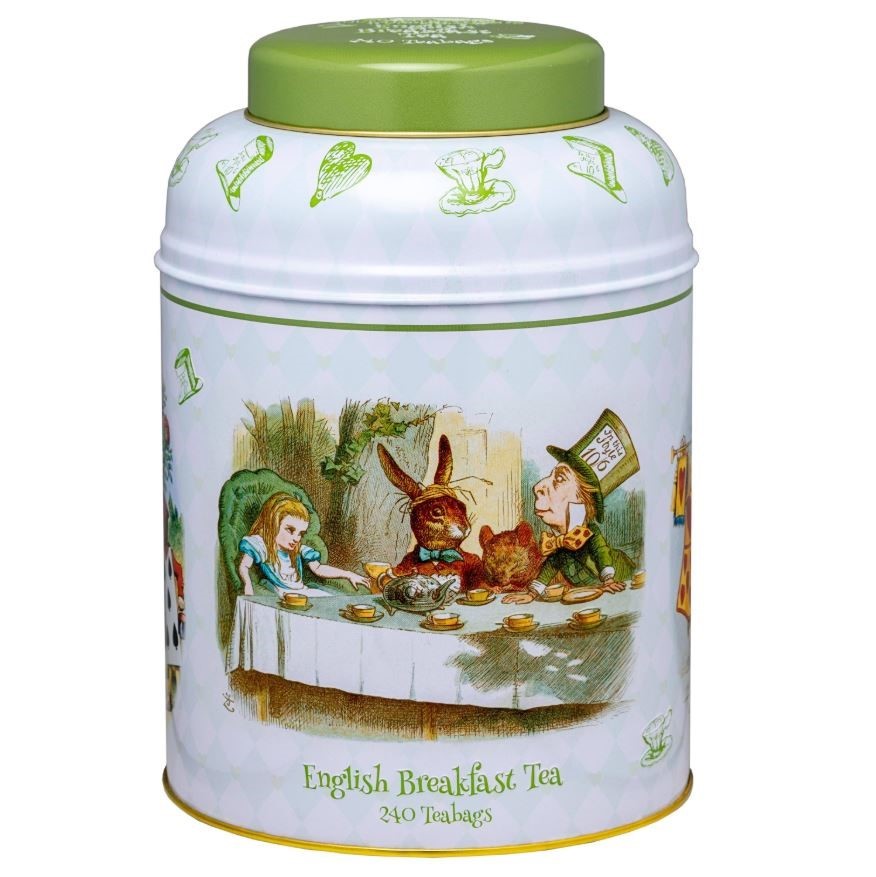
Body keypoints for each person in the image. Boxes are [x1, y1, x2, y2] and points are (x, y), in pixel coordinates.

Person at [503, 461, 625, 604]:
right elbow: (551, 566)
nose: (537, 488)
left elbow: (601, 552)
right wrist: (532, 594)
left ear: (582, 499)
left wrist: (609, 580)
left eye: (560, 479)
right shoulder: (560, 542)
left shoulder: (590, 531)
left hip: (616, 587)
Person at [238, 493, 368, 596]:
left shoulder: (299, 549)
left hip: (302, 593)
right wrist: (247, 585)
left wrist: (349, 574)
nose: (296, 538)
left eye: (300, 533)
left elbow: (318, 568)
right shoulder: (261, 545)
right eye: (290, 530)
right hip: (282, 595)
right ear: (273, 524)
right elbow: (244, 566)